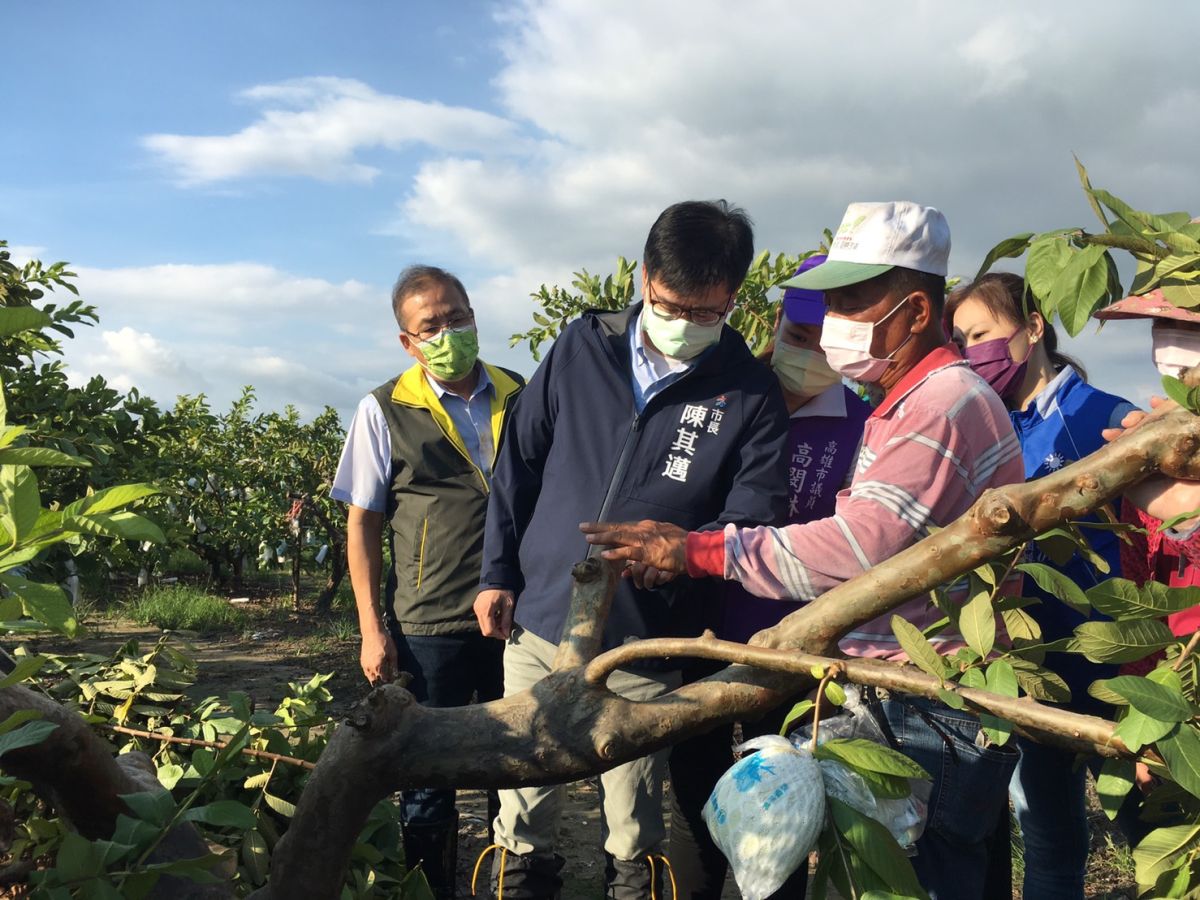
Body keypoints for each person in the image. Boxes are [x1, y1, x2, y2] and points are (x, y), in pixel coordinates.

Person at [582, 201, 1026, 900]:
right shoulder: (910, 401)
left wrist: (700, 552)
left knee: (918, 882)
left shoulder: (940, 405)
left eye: (851, 301)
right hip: (901, 694)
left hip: (928, 702)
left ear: (915, 311)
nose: (833, 322)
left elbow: (862, 546)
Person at [474, 200, 790, 900]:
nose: (684, 324)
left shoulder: (747, 392)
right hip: (542, 616)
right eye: (671, 305)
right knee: (521, 801)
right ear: (645, 277)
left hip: (647, 638)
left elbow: (755, 515)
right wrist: (497, 572)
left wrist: (680, 555)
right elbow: (518, 463)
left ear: (734, 298)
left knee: (635, 819)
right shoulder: (581, 348)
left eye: (706, 312)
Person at [666, 255, 871, 899]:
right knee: (694, 782)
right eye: (798, 334)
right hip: (705, 630)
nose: (809, 354)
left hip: (797, 643)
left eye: (825, 343)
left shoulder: (860, 425)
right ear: (778, 320)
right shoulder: (726, 395)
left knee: (781, 799)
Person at [331, 265, 525, 899]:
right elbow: (363, 523)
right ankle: (430, 888)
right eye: (430, 326)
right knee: (426, 776)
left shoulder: (519, 392)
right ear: (407, 341)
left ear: (474, 316)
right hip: (428, 623)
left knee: (514, 766)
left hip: (515, 616)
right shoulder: (384, 408)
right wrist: (371, 628)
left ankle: (504, 884)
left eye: (457, 317)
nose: (448, 334)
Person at [947, 272, 1136, 900]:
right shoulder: (990, 426)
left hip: (1112, 664)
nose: (973, 352)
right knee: (1050, 839)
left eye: (982, 334)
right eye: (962, 342)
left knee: (1147, 823)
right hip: (1031, 670)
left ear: (1032, 328)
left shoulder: (1100, 416)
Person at [1095, 289, 1200, 635]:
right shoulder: (1153, 467)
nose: (1172, 342)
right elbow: (1143, 604)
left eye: (1191, 324)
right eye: (1162, 323)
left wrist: (1190, 517)